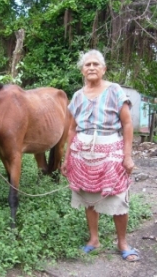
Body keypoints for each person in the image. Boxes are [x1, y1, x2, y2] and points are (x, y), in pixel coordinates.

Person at [61, 49, 139, 262]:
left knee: (118, 196)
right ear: (82, 71)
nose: (92, 67)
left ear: (104, 69)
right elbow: (71, 130)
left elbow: (127, 123)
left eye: (96, 64)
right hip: (82, 152)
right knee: (88, 197)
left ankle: (122, 243)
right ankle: (94, 239)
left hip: (110, 150)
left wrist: (127, 156)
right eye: (88, 65)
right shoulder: (77, 96)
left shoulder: (114, 90)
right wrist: (67, 158)